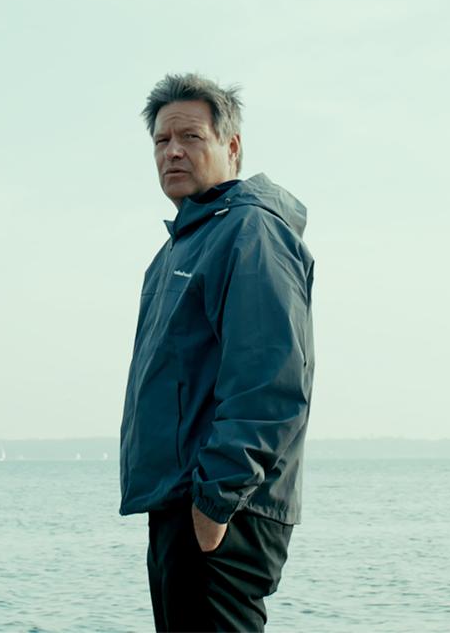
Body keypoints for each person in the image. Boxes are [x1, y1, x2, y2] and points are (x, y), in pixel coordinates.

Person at [119, 73, 315, 632]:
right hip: (182, 504)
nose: (173, 151)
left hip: (223, 510)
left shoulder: (251, 231)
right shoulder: (182, 245)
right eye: (161, 140)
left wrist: (216, 501)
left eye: (191, 137)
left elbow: (270, 380)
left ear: (231, 147)